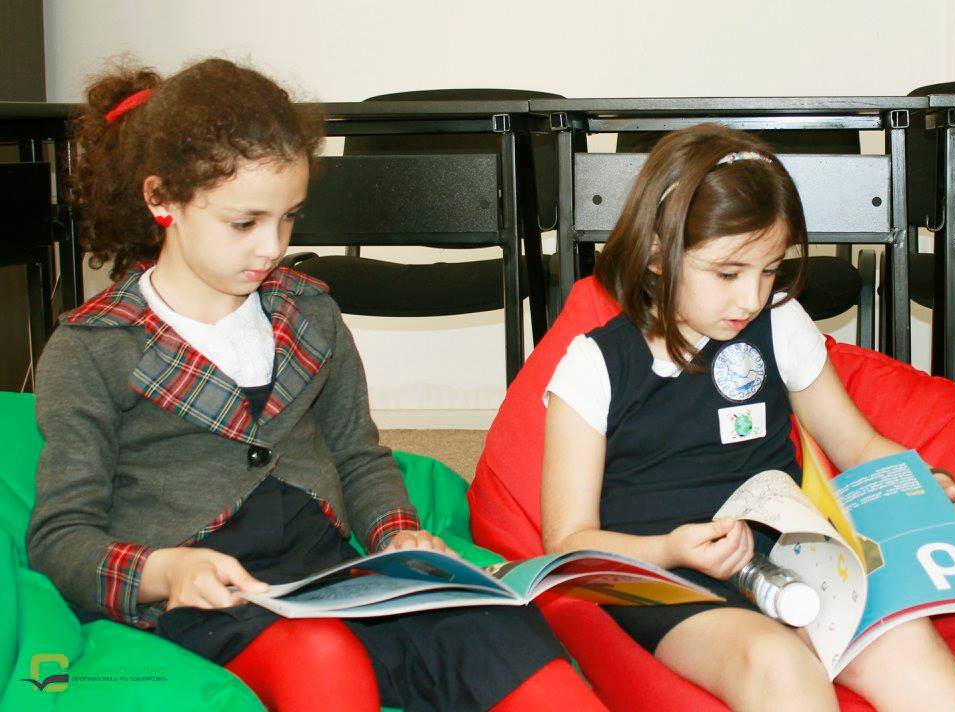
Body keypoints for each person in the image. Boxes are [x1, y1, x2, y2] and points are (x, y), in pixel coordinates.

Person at [27, 57, 607, 712]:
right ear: (162, 200)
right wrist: (162, 572)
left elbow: (359, 457)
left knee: (494, 627)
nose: (271, 246)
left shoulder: (310, 312)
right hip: (203, 599)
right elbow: (60, 536)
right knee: (322, 657)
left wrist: (396, 533)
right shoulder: (95, 345)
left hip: (329, 576)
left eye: (289, 217)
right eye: (244, 223)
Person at [541, 123, 955, 712]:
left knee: (902, 640)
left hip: (793, 556)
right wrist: (672, 549)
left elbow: (859, 446)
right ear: (655, 255)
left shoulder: (779, 323)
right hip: (667, 579)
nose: (752, 298)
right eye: (728, 273)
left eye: (770, 269)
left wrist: (924, 497)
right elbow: (567, 544)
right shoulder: (595, 366)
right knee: (778, 664)